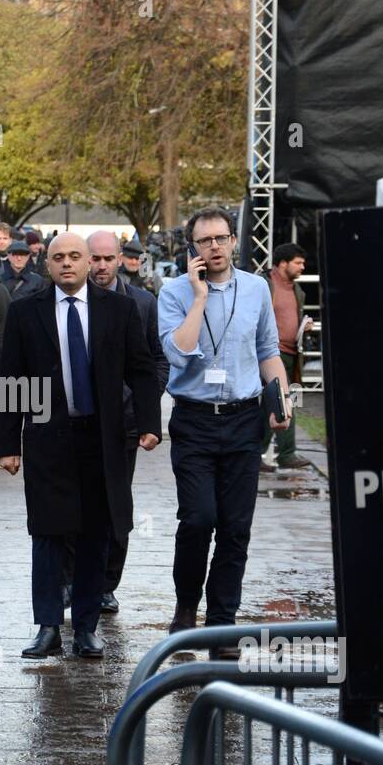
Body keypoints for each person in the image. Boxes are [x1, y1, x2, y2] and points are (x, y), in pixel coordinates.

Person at [0, 233, 160, 660]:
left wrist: (149, 423)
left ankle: (86, 628)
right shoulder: (25, 312)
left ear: (90, 263)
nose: (66, 264)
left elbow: (141, 369)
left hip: (103, 437)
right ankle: (47, 626)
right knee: (47, 532)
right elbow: (9, 378)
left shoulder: (119, 310)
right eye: (57, 257)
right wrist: (6, 444)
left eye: (74, 257)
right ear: (45, 264)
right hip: (49, 436)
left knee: (96, 533)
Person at [157, 207, 292, 637]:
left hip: (242, 420)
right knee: (198, 518)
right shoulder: (174, 292)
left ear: (234, 241)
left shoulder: (255, 289)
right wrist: (199, 296)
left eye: (221, 238)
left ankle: (222, 621)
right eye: (204, 241)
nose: (214, 247)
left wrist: (281, 399)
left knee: (236, 527)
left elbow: (269, 348)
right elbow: (179, 352)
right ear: (192, 248)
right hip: (194, 421)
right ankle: (185, 607)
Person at [78, 230, 169, 614]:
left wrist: (142, 401)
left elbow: (156, 360)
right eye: (93, 259)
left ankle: (106, 583)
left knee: (116, 503)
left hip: (124, 421)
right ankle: (72, 580)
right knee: (74, 502)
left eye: (106, 259)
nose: (100, 266)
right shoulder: (70, 299)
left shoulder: (143, 302)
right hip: (76, 419)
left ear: (120, 259)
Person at [261, 243, 312, 472]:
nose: (303, 267)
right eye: (298, 262)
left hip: (292, 354)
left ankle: (282, 453)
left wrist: (303, 326)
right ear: (283, 263)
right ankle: (271, 454)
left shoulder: (297, 290)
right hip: (271, 354)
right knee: (276, 403)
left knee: (287, 403)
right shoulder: (264, 285)